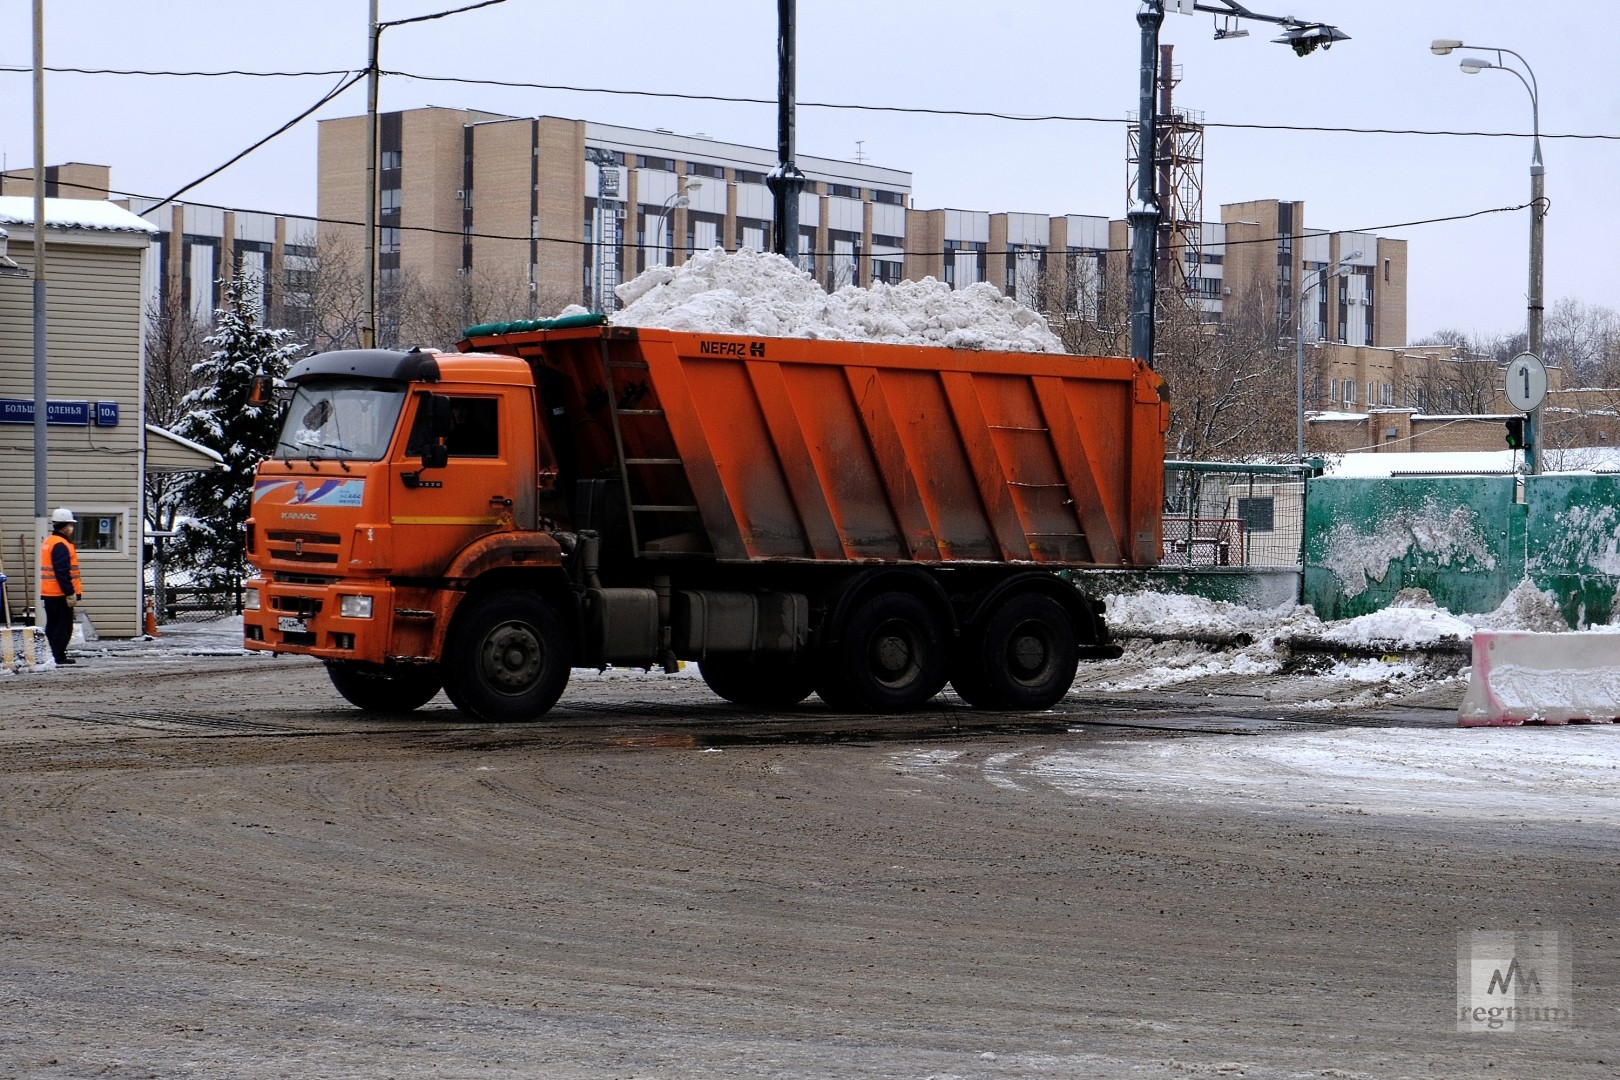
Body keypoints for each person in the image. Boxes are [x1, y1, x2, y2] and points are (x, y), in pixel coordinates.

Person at [39, 507, 82, 666]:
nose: (71, 528)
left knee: (53, 624)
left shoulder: (50, 542)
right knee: (63, 627)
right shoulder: (61, 544)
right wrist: (69, 592)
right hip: (59, 593)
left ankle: (50, 654)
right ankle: (57, 655)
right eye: (70, 525)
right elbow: (62, 571)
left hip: (49, 593)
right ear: (64, 525)